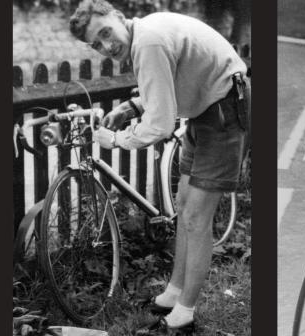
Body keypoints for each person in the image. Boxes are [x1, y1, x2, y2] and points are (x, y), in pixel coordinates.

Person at [69, 0, 250, 332]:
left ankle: (185, 314)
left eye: (107, 33)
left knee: (197, 217)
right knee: (183, 206)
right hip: (205, 107)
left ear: (120, 18)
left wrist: (115, 139)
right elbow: (173, 77)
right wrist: (132, 105)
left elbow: (160, 126)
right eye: (97, 44)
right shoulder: (144, 35)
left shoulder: (148, 41)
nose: (107, 46)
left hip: (223, 107)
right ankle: (174, 292)